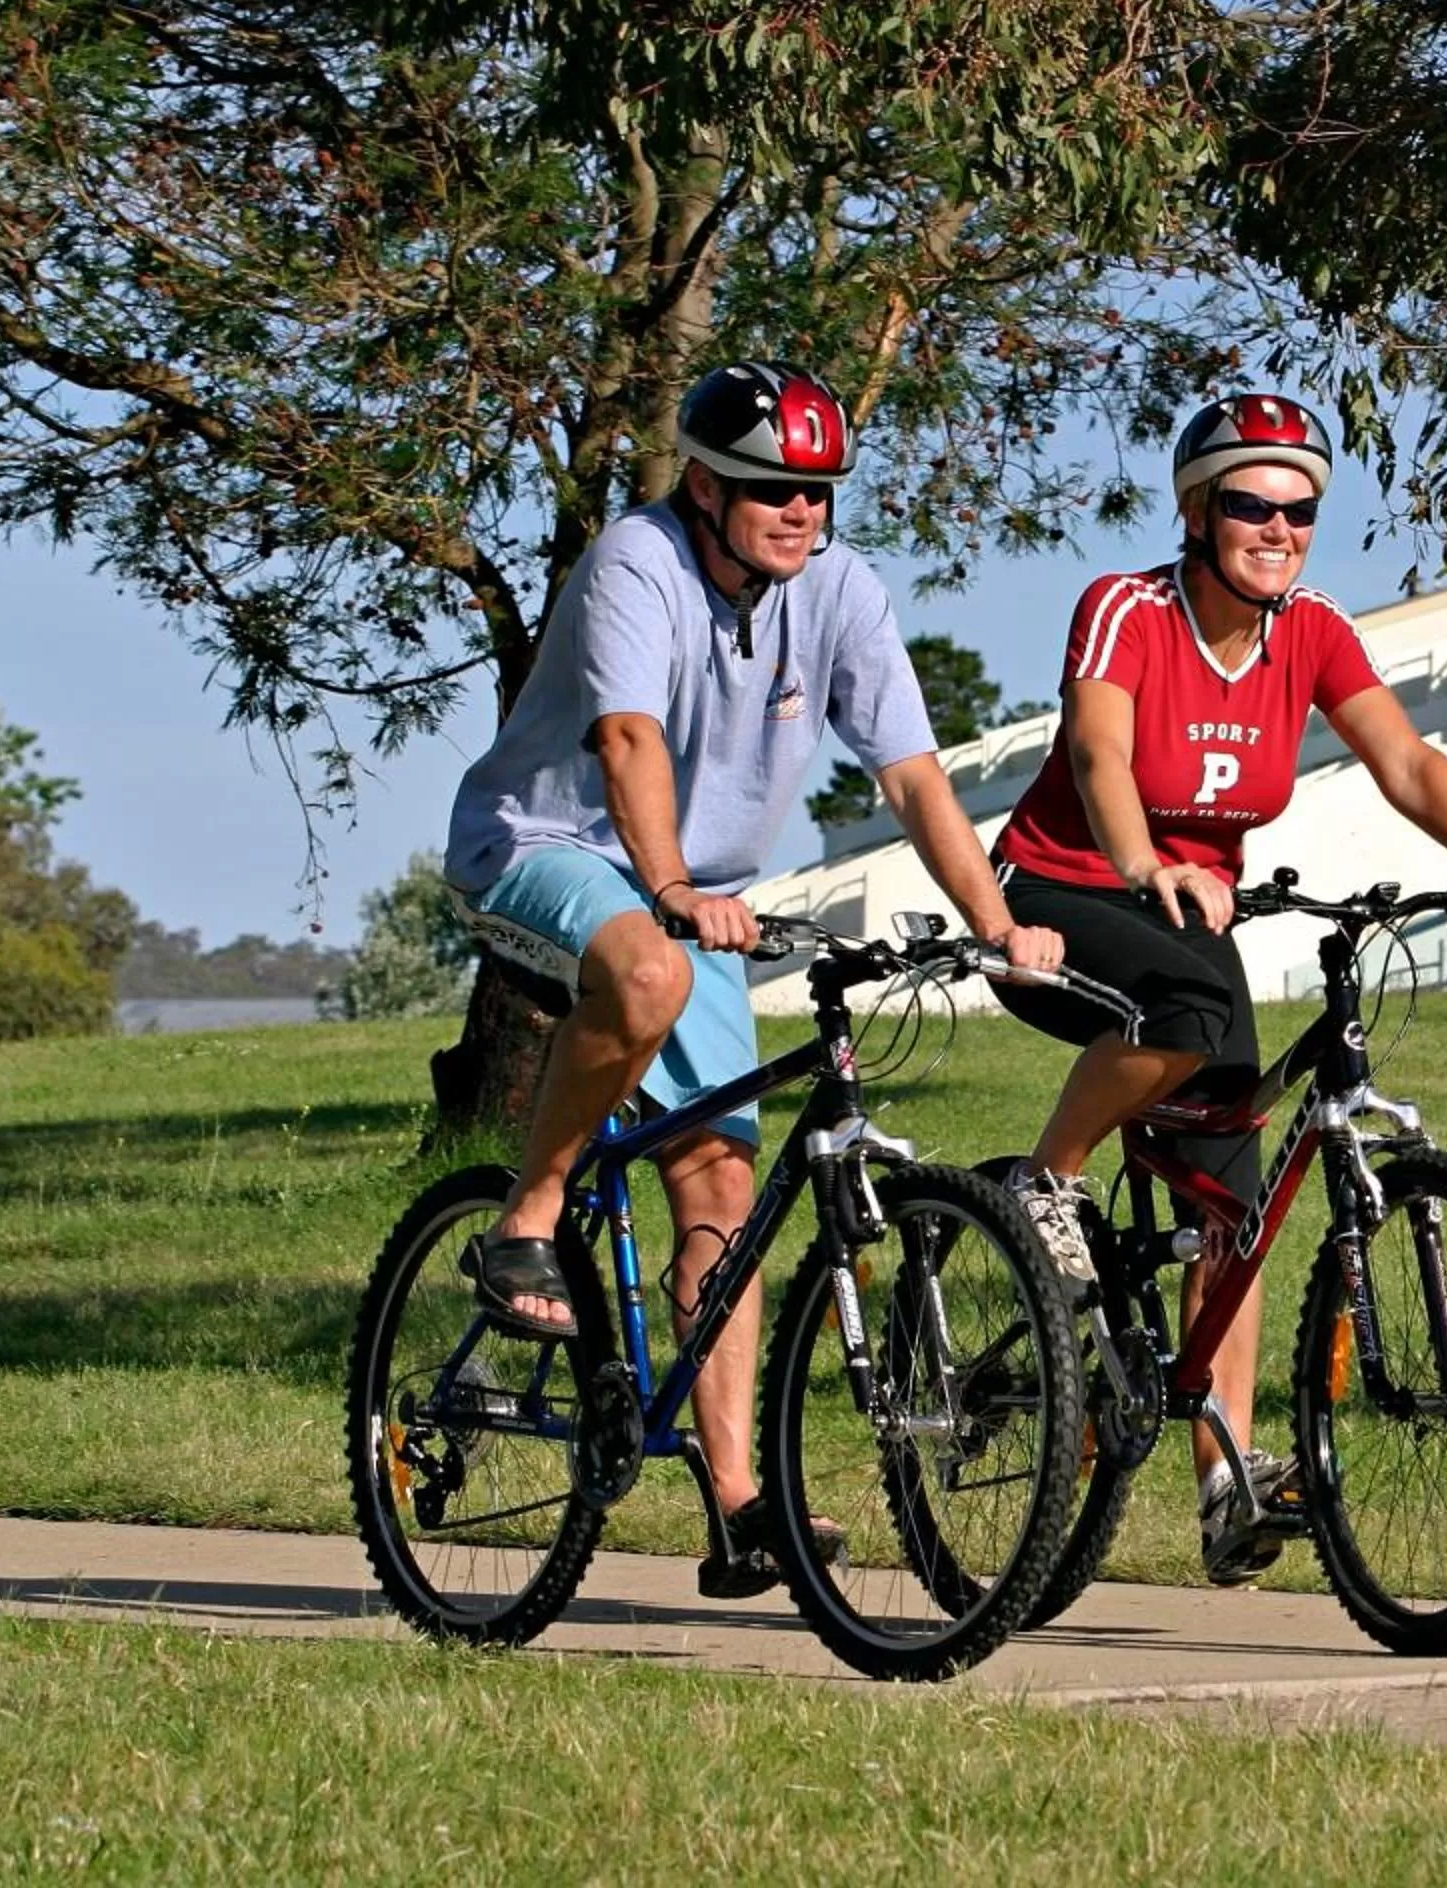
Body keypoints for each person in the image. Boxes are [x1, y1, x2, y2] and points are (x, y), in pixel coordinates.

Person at [442, 359, 1062, 1593]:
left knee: (722, 1188)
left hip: (695, 896)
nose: (801, 511)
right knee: (647, 973)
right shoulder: (636, 560)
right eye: (776, 488)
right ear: (708, 485)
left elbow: (912, 775)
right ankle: (528, 1216)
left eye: (820, 493)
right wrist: (668, 889)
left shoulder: (836, 591)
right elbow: (625, 736)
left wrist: (995, 922)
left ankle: (738, 1503)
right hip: (547, 846)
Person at [983, 390, 1447, 1586]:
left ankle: (1222, 1478)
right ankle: (1049, 1180)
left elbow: (1403, 758)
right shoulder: (1127, 611)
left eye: (1299, 510)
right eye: (1250, 503)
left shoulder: (1310, 630)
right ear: (1198, 512)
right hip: (1058, 893)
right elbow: (1098, 752)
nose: (1278, 528)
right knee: (1195, 1015)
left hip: (1185, 921)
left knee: (1232, 1207)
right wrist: (1144, 862)